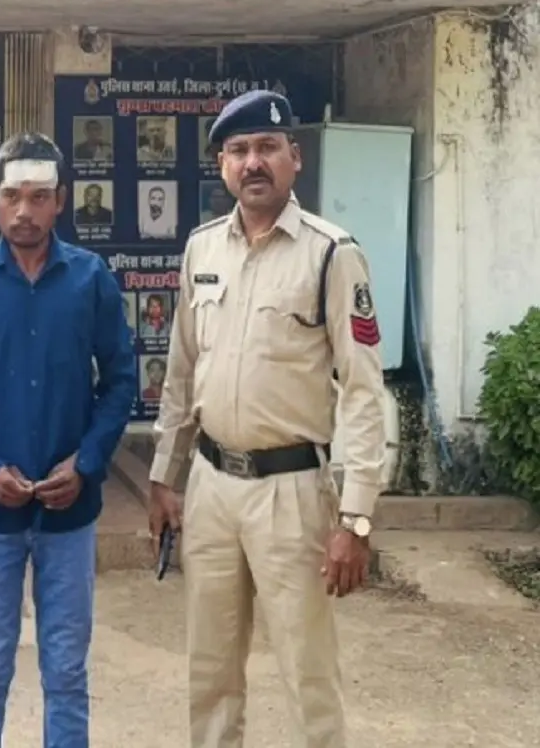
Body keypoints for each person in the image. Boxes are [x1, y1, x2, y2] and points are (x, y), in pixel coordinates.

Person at [147, 89, 387, 748]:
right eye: (239, 150)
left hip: (292, 493)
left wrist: (356, 518)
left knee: (308, 675)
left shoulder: (332, 254)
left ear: (294, 158)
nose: (253, 162)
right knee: (210, 673)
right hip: (212, 488)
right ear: (223, 164)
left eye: (267, 148)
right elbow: (182, 373)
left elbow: (363, 391)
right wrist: (165, 475)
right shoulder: (202, 250)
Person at [0, 132, 137, 748]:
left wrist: (88, 462)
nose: (24, 211)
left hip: (68, 513)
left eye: (39, 197)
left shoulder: (90, 280)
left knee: (67, 672)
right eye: (12, 196)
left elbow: (121, 381)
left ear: (61, 202)